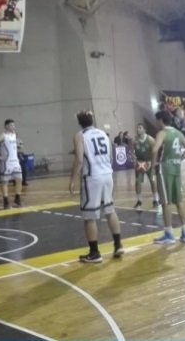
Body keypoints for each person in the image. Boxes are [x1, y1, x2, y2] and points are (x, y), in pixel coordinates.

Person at [68, 110, 123, 263]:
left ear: (79, 122)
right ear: (92, 120)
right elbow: (110, 156)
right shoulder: (103, 134)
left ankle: (94, 253)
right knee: (110, 210)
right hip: (107, 174)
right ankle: (118, 245)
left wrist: (72, 179)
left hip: (92, 177)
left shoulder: (79, 135)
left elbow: (79, 160)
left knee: (89, 217)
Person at [152, 110, 185, 244]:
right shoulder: (178, 133)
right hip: (176, 169)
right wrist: (179, 159)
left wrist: (153, 164)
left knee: (166, 202)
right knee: (179, 201)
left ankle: (169, 234)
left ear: (161, 120)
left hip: (164, 170)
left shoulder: (162, 133)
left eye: (157, 120)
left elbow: (154, 149)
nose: (156, 123)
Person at [133, 123, 159, 212]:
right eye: (137, 128)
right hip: (140, 163)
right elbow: (132, 152)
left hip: (149, 162)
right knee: (138, 182)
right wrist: (135, 161)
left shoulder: (150, 140)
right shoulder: (135, 140)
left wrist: (152, 162)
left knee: (153, 181)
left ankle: (155, 200)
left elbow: (155, 152)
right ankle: (139, 201)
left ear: (144, 130)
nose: (138, 129)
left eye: (140, 128)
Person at [0, 119, 23, 208]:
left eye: (14, 125)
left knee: (19, 179)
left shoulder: (15, 135)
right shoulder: (3, 135)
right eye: (11, 125)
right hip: (6, 162)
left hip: (15, 161)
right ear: (6, 126)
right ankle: (5, 201)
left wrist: (19, 146)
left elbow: (18, 145)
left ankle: (17, 198)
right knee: (5, 181)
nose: (13, 127)